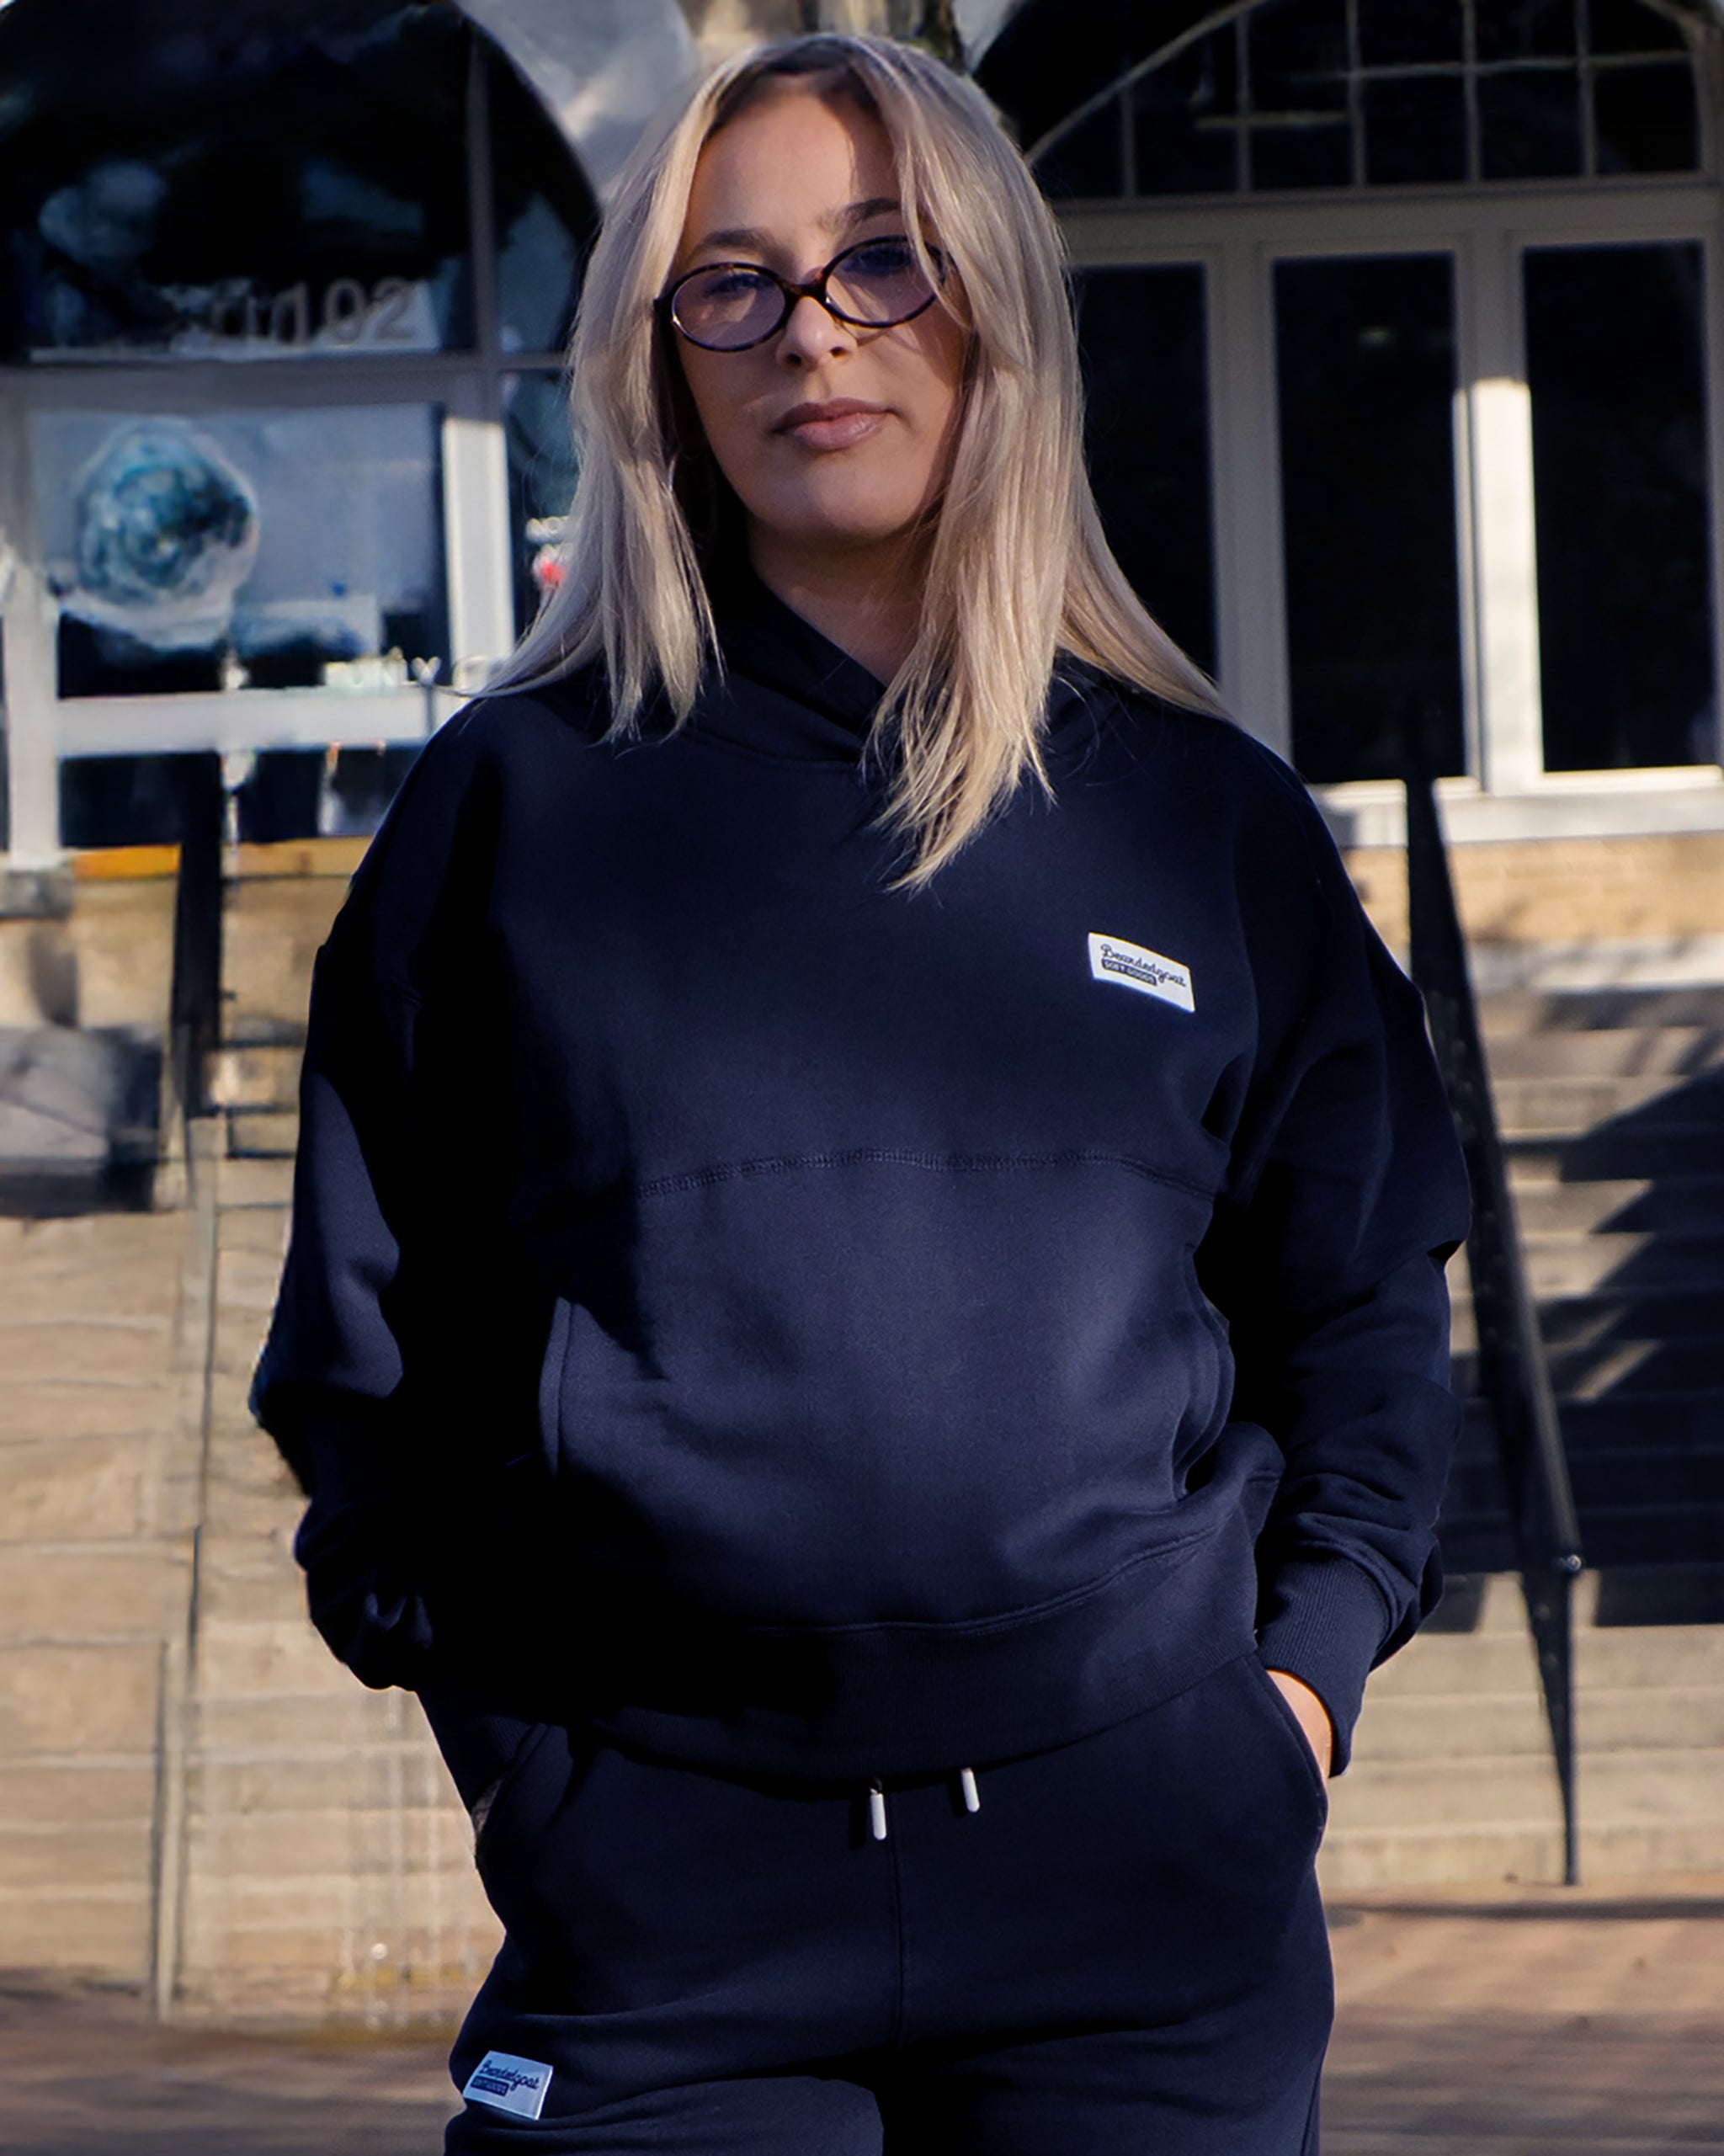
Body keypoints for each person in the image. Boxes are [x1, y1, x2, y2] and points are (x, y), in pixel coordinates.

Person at [253, 31, 1470, 2154]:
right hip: (666, 1911)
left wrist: (1292, 1696)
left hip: (1143, 1889)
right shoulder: (513, 815)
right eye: (731, 280)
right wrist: (531, 1750)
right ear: (659, 355)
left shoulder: (1200, 821)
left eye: (880, 261)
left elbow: (1359, 1296)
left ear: (992, 297)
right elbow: (374, 1353)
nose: (811, 333)